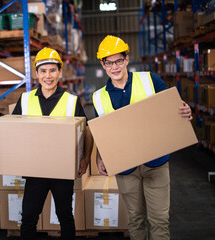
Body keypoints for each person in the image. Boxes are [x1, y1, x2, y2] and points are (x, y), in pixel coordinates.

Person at [93, 35, 193, 240]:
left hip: (156, 163)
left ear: (127, 60)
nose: (115, 67)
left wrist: (184, 110)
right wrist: (100, 157)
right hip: (126, 168)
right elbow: (101, 133)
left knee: (159, 220)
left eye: (118, 60)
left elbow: (173, 106)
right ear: (103, 65)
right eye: (109, 62)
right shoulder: (98, 97)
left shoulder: (149, 80)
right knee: (136, 220)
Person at [12, 47, 93, 240]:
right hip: (35, 171)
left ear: (60, 72)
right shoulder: (25, 99)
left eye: (52, 70)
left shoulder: (72, 101)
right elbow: (12, 132)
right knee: (29, 217)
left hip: (61, 171)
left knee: (65, 216)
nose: (48, 76)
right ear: (37, 74)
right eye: (43, 71)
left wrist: (86, 157)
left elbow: (86, 131)